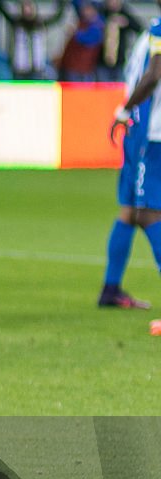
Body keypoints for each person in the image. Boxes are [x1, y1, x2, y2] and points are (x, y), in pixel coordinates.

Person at [107, 13, 161, 308]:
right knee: (129, 209)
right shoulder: (151, 29)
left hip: (152, 134)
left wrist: (125, 110)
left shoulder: (159, 29)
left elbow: (153, 76)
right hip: (142, 133)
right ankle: (110, 289)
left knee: (148, 212)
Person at [0, 0, 66, 79]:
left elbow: (56, 17)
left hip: (37, 68)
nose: (27, 11)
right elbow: (4, 12)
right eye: (25, 8)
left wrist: (62, 3)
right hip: (19, 68)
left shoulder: (40, 25)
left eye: (29, 8)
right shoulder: (16, 24)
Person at [57, 0, 104, 82]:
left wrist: (74, 33)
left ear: (94, 10)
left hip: (83, 70)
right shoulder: (82, 21)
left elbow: (88, 40)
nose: (84, 11)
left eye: (88, 9)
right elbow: (76, 3)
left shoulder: (98, 24)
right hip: (70, 67)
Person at [99, 0, 142, 82]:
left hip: (119, 61)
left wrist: (126, 22)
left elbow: (140, 29)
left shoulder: (124, 12)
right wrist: (107, 23)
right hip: (102, 61)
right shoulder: (102, 12)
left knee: (118, 89)